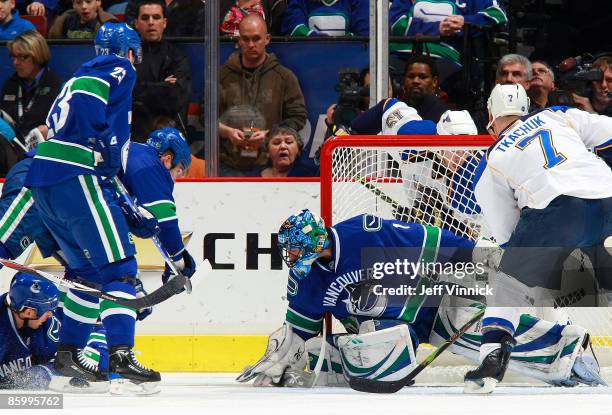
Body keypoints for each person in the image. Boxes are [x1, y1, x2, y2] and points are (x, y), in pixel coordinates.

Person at [237, 209, 604, 388]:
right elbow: (300, 330)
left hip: (430, 301)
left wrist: (479, 255)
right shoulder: (306, 279)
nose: (295, 263)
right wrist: (284, 356)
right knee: (329, 352)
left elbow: (429, 241)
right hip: (386, 333)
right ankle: (387, 362)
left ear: (317, 242)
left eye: (299, 254)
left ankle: (567, 353)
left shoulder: (365, 232)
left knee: (471, 326)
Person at [24, 22, 168, 395]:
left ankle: (68, 352)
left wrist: (118, 198)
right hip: (76, 172)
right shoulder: (124, 69)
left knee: (86, 272)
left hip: (43, 175)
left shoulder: (79, 74)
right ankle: (121, 353)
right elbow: (114, 141)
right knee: (121, 267)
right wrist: (126, 200)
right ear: (131, 51)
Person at [465, 83, 612, 393]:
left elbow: (506, 231)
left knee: (508, 283)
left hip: (558, 210)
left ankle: (490, 361)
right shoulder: (557, 115)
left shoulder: (490, 160)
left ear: (490, 115)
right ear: (527, 107)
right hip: (608, 197)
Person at [217, 13, 307, 176]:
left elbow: (298, 117)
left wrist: (271, 134)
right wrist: (228, 132)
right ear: (238, 41)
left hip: (270, 166)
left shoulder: (285, 77)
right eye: (245, 39)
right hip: (227, 165)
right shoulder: (221, 76)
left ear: (267, 39)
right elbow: (206, 118)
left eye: (256, 38)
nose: (251, 44)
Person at [121, 127, 196, 283]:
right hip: (84, 206)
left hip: (68, 198)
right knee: (123, 274)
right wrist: (179, 260)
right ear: (167, 160)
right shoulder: (152, 166)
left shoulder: (135, 151)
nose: (176, 179)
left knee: (85, 274)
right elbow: (164, 220)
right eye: (179, 171)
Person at [0, 30, 64, 175]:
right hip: (11, 151)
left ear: (37, 56)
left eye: (22, 57)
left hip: (42, 155)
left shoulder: (56, 84)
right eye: (13, 57)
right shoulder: (10, 84)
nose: (16, 62)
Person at [131, 0, 192, 142]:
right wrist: (161, 86)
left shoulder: (177, 58)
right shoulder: (127, 57)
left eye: (156, 17)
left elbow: (175, 99)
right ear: (136, 23)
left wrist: (138, 88)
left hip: (168, 141)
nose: (151, 22)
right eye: (145, 18)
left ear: (164, 23)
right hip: (133, 139)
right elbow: (122, 94)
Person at [389, 0, 507, 71]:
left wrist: (465, 22)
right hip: (401, 53)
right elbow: (396, 24)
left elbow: (498, 14)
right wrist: (437, 28)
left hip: (446, 58)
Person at [0, 273, 60, 389]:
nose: (50, 314)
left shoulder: (47, 323)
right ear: (29, 312)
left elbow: (62, 361)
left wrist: (44, 372)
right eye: (47, 310)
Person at [399, 55, 448, 122]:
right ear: (404, 80)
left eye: (422, 77)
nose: (415, 81)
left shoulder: (445, 116)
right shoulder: (397, 110)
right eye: (411, 76)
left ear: (434, 82)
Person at [281, 0, 368, 37]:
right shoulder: (300, 1)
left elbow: (364, 34)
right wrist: (314, 37)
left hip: (350, 62)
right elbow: (294, 25)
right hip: (309, 59)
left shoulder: (360, 2)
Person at [125, 0, 204, 36]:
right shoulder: (136, 3)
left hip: (185, 60)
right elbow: (129, 36)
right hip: (142, 58)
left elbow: (198, 46)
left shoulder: (198, 7)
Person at [48, 0, 116, 39]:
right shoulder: (65, 20)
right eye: (78, 2)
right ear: (73, 4)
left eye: (88, 2)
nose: (84, 6)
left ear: (98, 2)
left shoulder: (109, 23)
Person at [220, 0, 286, 37]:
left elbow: (277, 38)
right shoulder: (220, 3)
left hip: (259, 53)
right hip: (222, 53)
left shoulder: (275, 3)